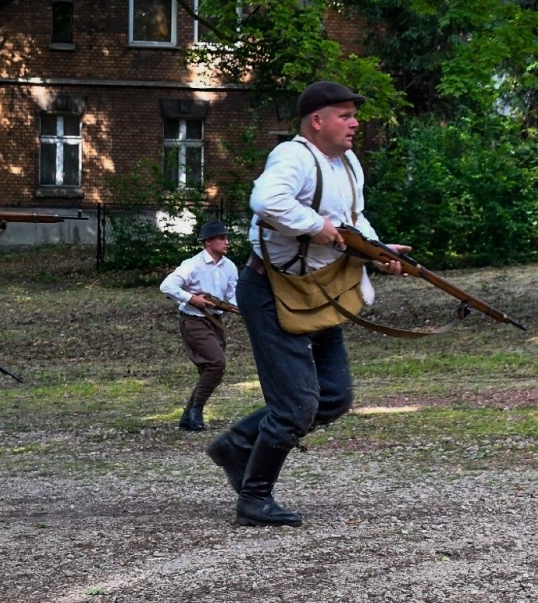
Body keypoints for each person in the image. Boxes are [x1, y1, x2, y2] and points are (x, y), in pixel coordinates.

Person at [205, 81, 405, 527]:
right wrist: (314, 225)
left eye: (355, 114)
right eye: (345, 115)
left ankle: (236, 445)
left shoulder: (349, 163)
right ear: (318, 120)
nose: (355, 123)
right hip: (271, 292)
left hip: (318, 289)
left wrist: (378, 251)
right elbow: (266, 201)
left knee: (334, 397)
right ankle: (254, 499)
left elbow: (353, 222)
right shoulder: (293, 156)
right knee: (296, 405)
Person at [159, 220, 239, 432]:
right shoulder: (192, 264)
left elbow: (232, 296)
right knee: (216, 363)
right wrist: (192, 299)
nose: (226, 242)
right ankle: (197, 409)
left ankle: (189, 416)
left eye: (226, 237)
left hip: (216, 321)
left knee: (211, 368)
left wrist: (246, 309)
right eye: (221, 238)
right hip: (194, 320)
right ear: (208, 242)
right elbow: (167, 285)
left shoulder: (230, 266)